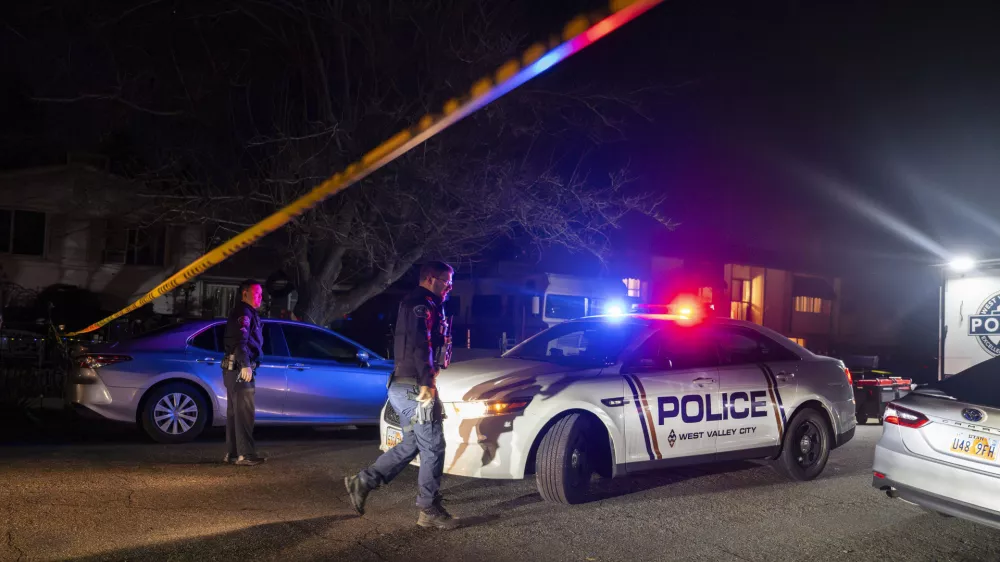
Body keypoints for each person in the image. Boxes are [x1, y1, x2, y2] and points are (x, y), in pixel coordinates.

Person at [344, 261, 458, 529]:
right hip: (414, 388)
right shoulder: (421, 304)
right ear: (430, 279)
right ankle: (428, 509)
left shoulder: (426, 303)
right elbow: (421, 343)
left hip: (404, 386)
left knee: (413, 443)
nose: (449, 286)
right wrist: (427, 383)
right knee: (433, 446)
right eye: (445, 281)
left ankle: (363, 481)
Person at [222, 279, 267, 466]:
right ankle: (246, 455)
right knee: (244, 414)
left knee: (234, 415)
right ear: (245, 293)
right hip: (240, 369)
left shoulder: (246, 313)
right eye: (256, 293)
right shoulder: (244, 313)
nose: (260, 297)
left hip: (232, 369)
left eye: (261, 294)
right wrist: (246, 365)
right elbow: (240, 341)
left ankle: (233, 454)